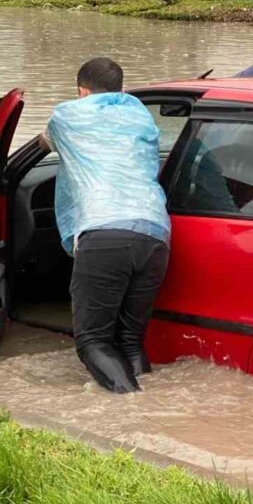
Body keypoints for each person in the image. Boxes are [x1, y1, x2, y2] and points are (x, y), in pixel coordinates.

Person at [39, 57, 171, 394]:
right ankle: (153, 406)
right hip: (155, 235)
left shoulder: (68, 116)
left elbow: (44, 143)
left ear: (82, 91)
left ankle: (133, 410)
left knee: (92, 343)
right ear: (120, 89)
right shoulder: (140, 115)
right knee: (130, 341)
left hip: (104, 233)